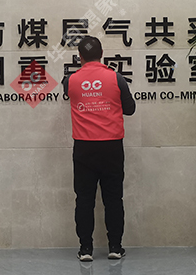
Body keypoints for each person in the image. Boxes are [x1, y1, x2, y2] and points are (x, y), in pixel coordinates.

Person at [62, 35, 136, 262]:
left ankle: (85, 249)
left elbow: (69, 95)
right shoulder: (116, 78)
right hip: (112, 147)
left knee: (84, 199)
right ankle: (115, 247)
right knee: (113, 198)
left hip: (84, 148)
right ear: (102, 54)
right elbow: (130, 109)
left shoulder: (70, 80)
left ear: (80, 57)